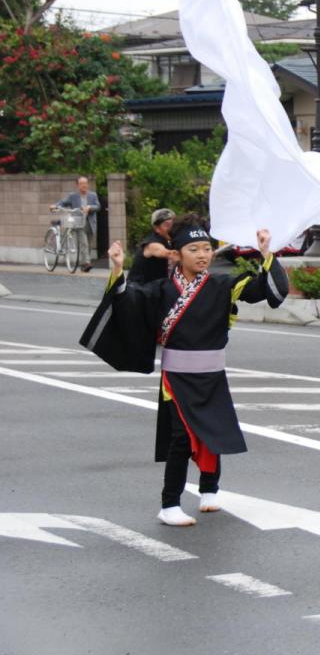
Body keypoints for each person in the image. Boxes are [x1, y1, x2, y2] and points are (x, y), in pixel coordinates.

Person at [79, 214, 289, 526]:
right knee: (181, 436)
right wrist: (117, 269)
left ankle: (209, 490)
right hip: (176, 377)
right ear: (176, 255)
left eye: (206, 248)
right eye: (194, 249)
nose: (203, 255)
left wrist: (266, 253)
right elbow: (126, 300)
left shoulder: (224, 285)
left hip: (212, 374)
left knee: (211, 432)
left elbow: (270, 291)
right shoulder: (160, 290)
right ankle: (169, 504)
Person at [53, 175, 101, 272]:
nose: (84, 185)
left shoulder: (93, 195)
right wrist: (55, 205)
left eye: (86, 183)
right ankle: (87, 263)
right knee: (84, 243)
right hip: (78, 223)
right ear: (77, 185)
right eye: (82, 184)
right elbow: (63, 202)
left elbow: (98, 206)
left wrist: (89, 207)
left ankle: (83, 265)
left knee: (88, 244)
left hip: (90, 223)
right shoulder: (73, 196)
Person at [128, 208, 175, 284]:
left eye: (173, 225)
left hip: (154, 289)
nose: (171, 228)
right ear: (157, 228)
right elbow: (166, 253)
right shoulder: (152, 243)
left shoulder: (168, 241)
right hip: (138, 291)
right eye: (167, 225)